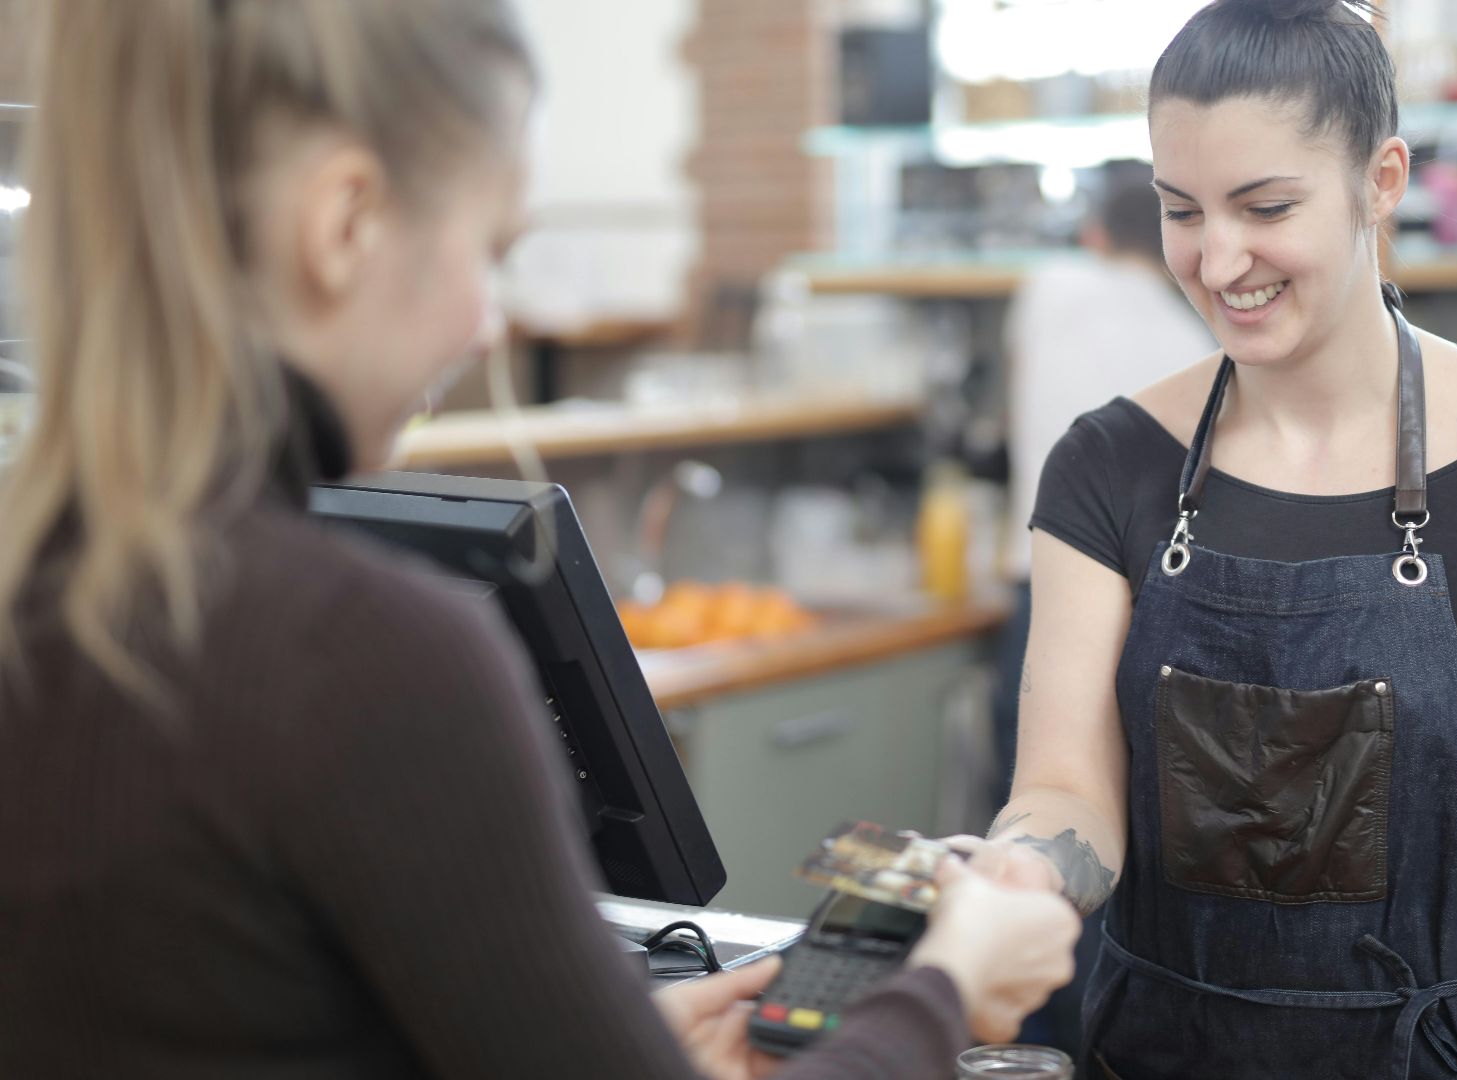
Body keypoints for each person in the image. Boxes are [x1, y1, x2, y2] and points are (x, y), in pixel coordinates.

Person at [0, 3, 1079, 1078]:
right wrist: (945, 990)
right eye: (490, 250)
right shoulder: (369, 659)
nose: (486, 324)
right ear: (344, 226)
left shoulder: (45, 585)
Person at [951, 2, 1457, 1078]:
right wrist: (1022, 872)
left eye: (1265, 206)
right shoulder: (1108, 464)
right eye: (1181, 211)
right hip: (1154, 1054)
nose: (1217, 261)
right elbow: (1066, 789)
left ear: (1382, 180)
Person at [991, 175, 1215, 1049]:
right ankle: (1102, 1038)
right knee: (1132, 845)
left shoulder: (1045, 289)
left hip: (1038, 591)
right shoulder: (1186, 336)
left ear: (1090, 232)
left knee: (1044, 832)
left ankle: (1038, 1043)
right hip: (1164, 616)